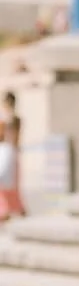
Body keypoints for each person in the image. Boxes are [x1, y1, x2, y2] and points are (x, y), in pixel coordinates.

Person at [0, 92, 23, 222]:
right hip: (10, 152)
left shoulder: (10, 120)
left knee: (7, 185)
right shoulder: (13, 119)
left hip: (7, 153)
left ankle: (8, 210)